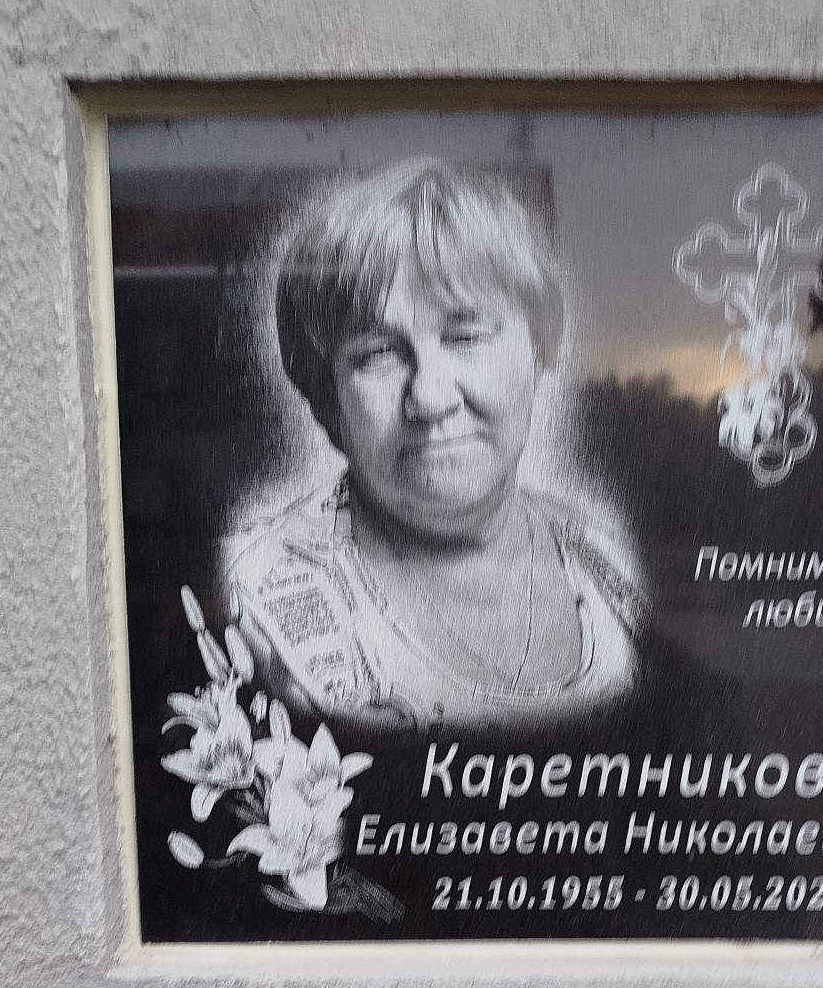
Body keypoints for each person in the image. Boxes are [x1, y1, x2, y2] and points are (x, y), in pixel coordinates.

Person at [232, 160, 647, 730]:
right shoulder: (254, 604)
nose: (429, 397)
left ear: (541, 351)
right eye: (377, 353)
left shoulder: (611, 562)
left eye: (466, 336)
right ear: (325, 397)